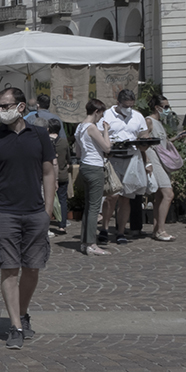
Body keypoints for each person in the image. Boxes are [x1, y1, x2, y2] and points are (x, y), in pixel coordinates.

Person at [0, 87, 55, 350]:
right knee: (9, 268)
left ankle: (22, 312)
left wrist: (48, 210)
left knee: (32, 268)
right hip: (4, 212)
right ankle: (15, 325)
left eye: (5, 106)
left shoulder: (40, 135)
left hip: (35, 212)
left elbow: (48, 172)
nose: (1, 111)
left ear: (21, 107)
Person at [99, 89, 151, 245]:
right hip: (113, 158)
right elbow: (99, 135)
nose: (128, 108)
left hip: (131, 159)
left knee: (126, 197)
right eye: (125, 106)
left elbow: (143, 136)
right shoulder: (107, 115)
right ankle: (105, 228)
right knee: (111, 196)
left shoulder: (137, 116)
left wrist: (145, 143)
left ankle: (121, 231)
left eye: (131, 105)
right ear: (118, 103)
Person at [74, 98, 112, 255]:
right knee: (95, 208)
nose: (101, 118)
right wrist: (106, 131)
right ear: (96, 111)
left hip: (84, 165)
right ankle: (91, 243)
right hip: (94, 166)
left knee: (89, 207)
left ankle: (85, 242)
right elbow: (107, 147)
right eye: (101, 114)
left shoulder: (79, 127)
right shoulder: (91, 127)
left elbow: (77, 152)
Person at [145, 95, 176, 242]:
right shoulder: (149, 121)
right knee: (168, 194)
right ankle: (161, 230)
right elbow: (143, 142)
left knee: (159, 196)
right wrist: (147, 162)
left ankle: (156, 229)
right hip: (154, 159)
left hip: (161, 160)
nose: (167, 110)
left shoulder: (159, 122)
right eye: (165, 107)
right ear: (157, 107)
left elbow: (162, 142)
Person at [46, 118, 70, 234]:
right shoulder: (64, 142)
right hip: (62, 175)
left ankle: (47, 224)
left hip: (48, 176)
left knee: (47, 200)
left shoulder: (45, 141)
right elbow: (68, 158)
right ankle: (62, 225)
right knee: (62, 200)